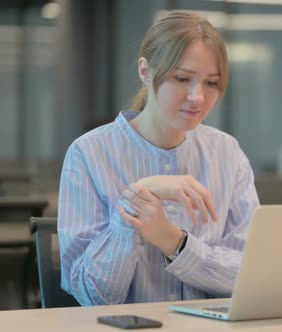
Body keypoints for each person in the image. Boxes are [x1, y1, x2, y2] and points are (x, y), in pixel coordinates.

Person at [58, 11, 260, 306]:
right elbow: (94, 295)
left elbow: (251, 274)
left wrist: (174, 242)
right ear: (145, 71)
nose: (198, 97)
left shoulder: (227, 153)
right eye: (182, 78)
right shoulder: (89, 154)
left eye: (211, 83)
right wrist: (136, 201)